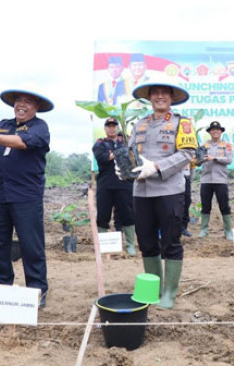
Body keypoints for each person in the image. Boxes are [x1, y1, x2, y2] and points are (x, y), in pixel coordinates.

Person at [0, 89, 53, 308]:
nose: (22, 105)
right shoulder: (2, 124)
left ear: (37, 107)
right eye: (18, 101)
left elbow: (22, 142)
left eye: (28, 101)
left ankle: (37, 289)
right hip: (0, 192)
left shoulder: (39, 128)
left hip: (26, 194)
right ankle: (2, 284)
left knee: (30, 243)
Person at [121, 81, 196, 309]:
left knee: (171, 242)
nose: (160, 96)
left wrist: (156, 167)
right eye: (155, 93)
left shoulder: (181, 123)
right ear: (149, 98)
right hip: (141, 192)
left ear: (171, 98)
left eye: (165, 93)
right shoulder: (140, 124)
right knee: (146, 242)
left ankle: (169, 294)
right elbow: (131, 153)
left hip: (169, 190)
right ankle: (154, 289)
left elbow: (188, 153)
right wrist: (123, 167)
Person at [92, 117, 136, 256]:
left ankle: (130, 245)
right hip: (105, 184)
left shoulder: (126, 142)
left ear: (117, 127)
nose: (111, 129)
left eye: (114, 126)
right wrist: (121, 152)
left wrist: (123, 150)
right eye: (109, 126)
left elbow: (134, 158)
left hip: (124, 183)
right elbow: (103, 157)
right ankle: (102, 247)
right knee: (103, 214)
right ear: (105, 128)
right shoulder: (100, 143)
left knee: (128, 214)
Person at [198, 121, 234, 239]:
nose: (215, 132)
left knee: (224, 205)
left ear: (221, 132)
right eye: (212, 130)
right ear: (209, 132)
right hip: (206, 180)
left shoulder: (226, 145)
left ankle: (228, 231)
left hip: (220, 180)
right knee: (205, 205)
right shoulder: (203, 145)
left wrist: (215, 158)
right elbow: (197, 161)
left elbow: (229, 159)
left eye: (217, 130)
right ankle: (204, 230)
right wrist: (201, 159)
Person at [180, 163, 194, 237]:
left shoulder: (189, 151)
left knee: (187, 200)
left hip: (186, 176)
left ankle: (183, 227)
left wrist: (190, 177)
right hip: (175, 177)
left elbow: (193, 164)